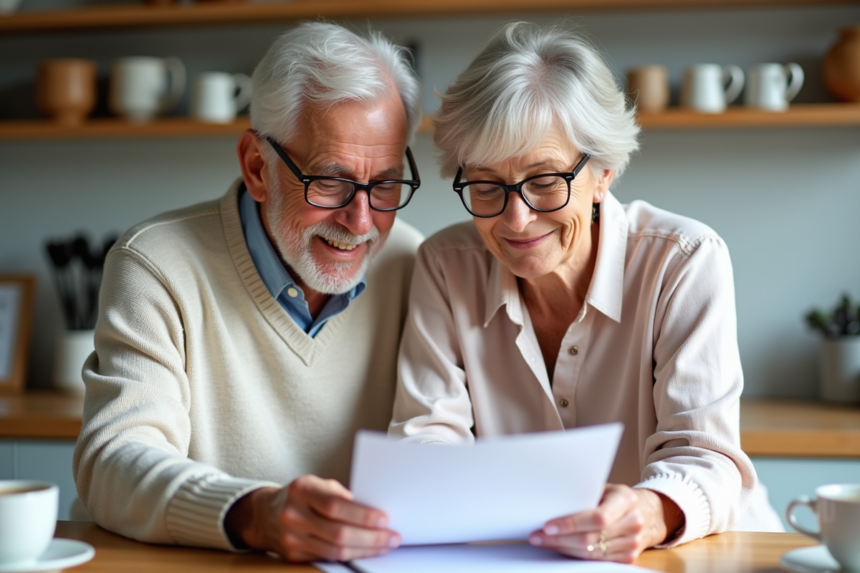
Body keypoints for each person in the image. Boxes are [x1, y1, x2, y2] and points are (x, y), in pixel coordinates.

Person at [390, 22, 781, 563]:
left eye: (546, 181)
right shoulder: (445, 266)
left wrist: (647, 512)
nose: (517, 219)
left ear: (604, 173)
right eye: (485, 186)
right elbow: (425, 442)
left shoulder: (683, 261)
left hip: (693, 555)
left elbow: (704, 457)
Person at [73, 22, 423, 562]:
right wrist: (252, 512)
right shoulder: (156, 263)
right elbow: (114, 461)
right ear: (258, 167)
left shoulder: (415, 266)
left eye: (385, 185)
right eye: (330, 181)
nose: (361, 221)